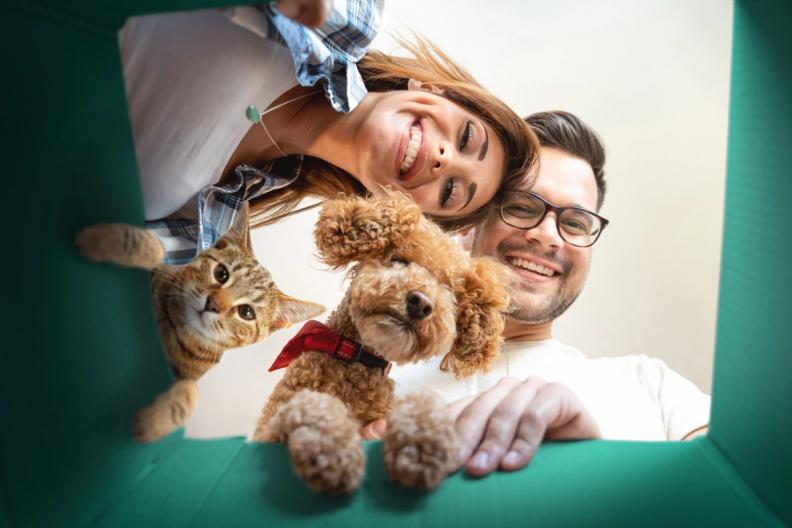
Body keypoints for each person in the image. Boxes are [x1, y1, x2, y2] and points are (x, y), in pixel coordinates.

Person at [377, 110, 710, 477]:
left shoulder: (655, 388)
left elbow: (746, 489)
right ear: (469, 227)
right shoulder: (371, 381)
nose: (548, 235)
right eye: (522, 207)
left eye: (575, 223)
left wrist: (593, 460)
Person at [119, 2, 538, 264]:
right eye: (466, 138)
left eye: (450, 191)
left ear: (403, 212)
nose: (445, 160)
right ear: (432, 89)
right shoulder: (346, 16)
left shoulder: (206, 224)